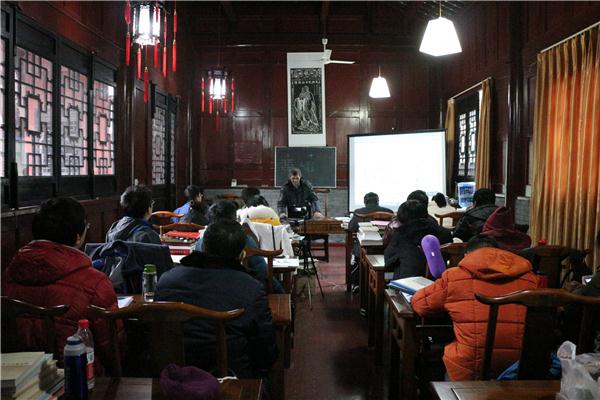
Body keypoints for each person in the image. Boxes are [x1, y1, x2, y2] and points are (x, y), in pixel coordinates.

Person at [2, 197, 121, 373]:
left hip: (17, 377)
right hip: (79, 378)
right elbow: (112, 347)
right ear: (78, 236)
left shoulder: (9, 274)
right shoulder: (95, 282)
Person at [155, 220, 278, 378]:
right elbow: (267, 352)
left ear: (203, 247)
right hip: (231, 378)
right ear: (242, 254)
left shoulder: (167, 280)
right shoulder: (251, 288)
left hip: (173, 377)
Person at [411, 234, 538, 380]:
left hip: (470, 370)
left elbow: (420, 304)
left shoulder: (454, 276)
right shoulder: (529, 278)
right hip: (519, 368)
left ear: (467, 255)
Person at [195, 201, 285, 293]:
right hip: (244, 291)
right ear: (234, 220)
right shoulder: (244, 240)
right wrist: (281, 292)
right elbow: (262, 270)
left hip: (208, 291)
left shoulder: (201, 242)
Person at [384, 200, 452, 279]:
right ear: (426, 214)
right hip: (439, 282)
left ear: (401, 217)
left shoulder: (400, 234)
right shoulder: (445, 233)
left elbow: (388, 262)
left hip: (408, 282)